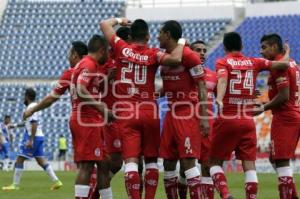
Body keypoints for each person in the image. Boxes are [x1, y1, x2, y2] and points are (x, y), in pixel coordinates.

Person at [100, 17, 185, 199]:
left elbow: (104, 24)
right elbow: (177, 58)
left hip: (126, 111)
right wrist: (183, 41)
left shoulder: (121, 47)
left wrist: (121, 20)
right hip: (149, 111)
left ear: (131, 35)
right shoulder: (154, 53)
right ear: (147, 36)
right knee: (151, 160)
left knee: (131, 161)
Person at [209, 32, 290, 199]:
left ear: (224, 47)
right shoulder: (255, 62)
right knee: (250, 166)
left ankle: (225, 195)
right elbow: (284, 64)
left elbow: (223, 80)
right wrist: (287, 52)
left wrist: (219, 97)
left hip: (227, 119)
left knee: (213, 162)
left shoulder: (222, 62)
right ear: (242, 46)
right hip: (247, 121)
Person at [158, 20, 210, 199]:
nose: (157, 36)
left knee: (188, 162)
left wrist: (203, 118)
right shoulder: (165, 57)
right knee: (168, 163)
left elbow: (201, 87)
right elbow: (172, 83)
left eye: (160, 33)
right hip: (171, 114)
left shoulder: (190, 56)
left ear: (168, 35)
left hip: (187, 113)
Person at [69, 34, 115, 199]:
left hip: (89, 120)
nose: (109, 56)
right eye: (108, 53)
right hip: (86, 120)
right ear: (102, 50)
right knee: (87, 166)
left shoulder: (86, 65)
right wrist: (102, 110)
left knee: (104, 164)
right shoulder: (88, 64)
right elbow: (81, 90)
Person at [254, 33, 299, 199]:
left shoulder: (279, 67)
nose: (261, 51)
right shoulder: (292, 62)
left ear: (274, 47)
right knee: (274, 158)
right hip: (295, 113)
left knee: (280, 161)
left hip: (285, 117)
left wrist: (263, 107)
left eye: (264, 47)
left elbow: (284, 96)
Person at [177, 40, 217, 199]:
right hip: (188, 123)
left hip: (207, 124)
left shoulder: (213, 75)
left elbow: (222, 96)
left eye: (204, 50)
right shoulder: (182, 74)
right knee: (186, 168)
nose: (202, 53)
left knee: (207, 166)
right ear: (190, 53)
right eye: (198, 50)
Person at [2, 88, 63, 191]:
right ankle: (57, 181)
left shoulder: (31, 107)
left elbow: (34, 123)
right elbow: (28, 123)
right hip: (39, 136)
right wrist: (14, 125)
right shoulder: (35, 107)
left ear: (26, 96)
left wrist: (31, 140)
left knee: (19, 159)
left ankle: (15, 185)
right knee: (41, 161)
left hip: (33, 137)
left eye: (24, 96)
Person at [23, 41, 88, 118]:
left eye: (70, 54)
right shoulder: (94, 70)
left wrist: (31, 110)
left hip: (82, 118)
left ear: (75, 55)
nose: (68, 57)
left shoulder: (71, 73)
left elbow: (51, 98)